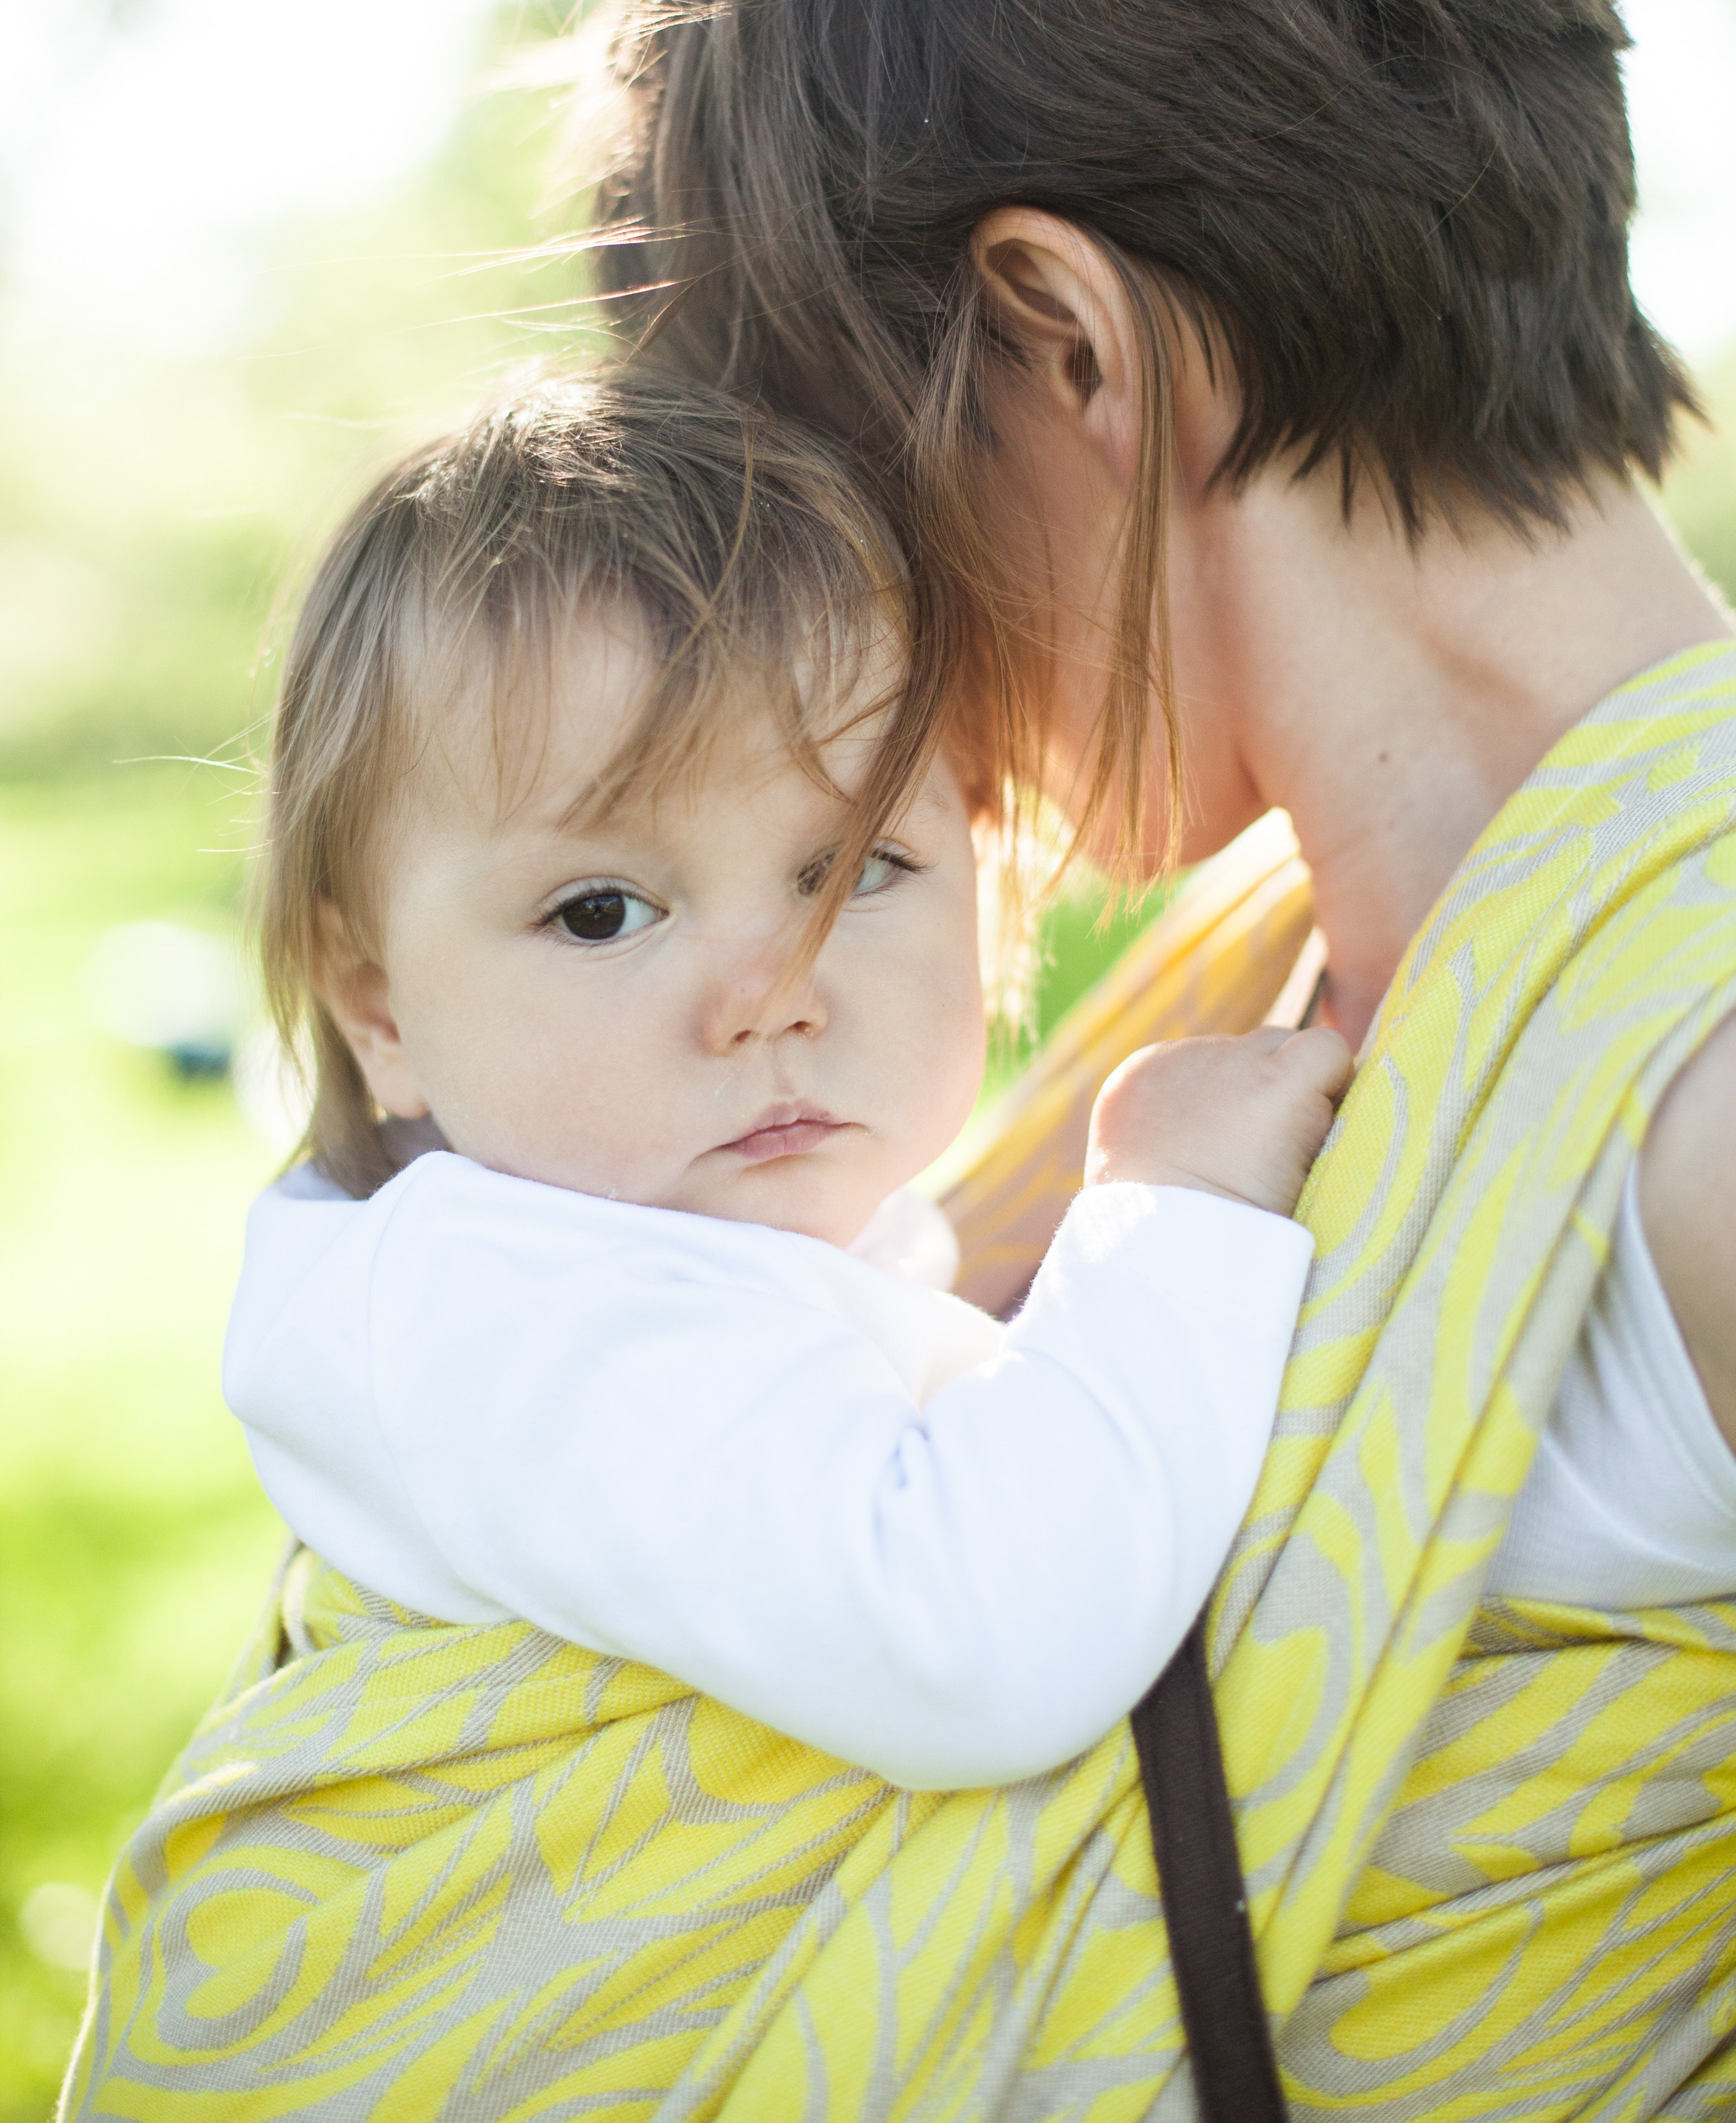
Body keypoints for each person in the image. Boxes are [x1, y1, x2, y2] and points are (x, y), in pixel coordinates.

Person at [62, 0, 1736, 2123]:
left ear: (1063, 348)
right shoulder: (1256, 988)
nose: (847, 669)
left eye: (844, 512)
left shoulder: (1693, 1105)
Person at [222, 367, 1345, 1792]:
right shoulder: (500, 1314)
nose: (770, 998)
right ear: (376, 1004)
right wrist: (1175, 1214)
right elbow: (975, 1647)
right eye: (599, 912)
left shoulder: (640, 1246)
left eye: (856, 868)